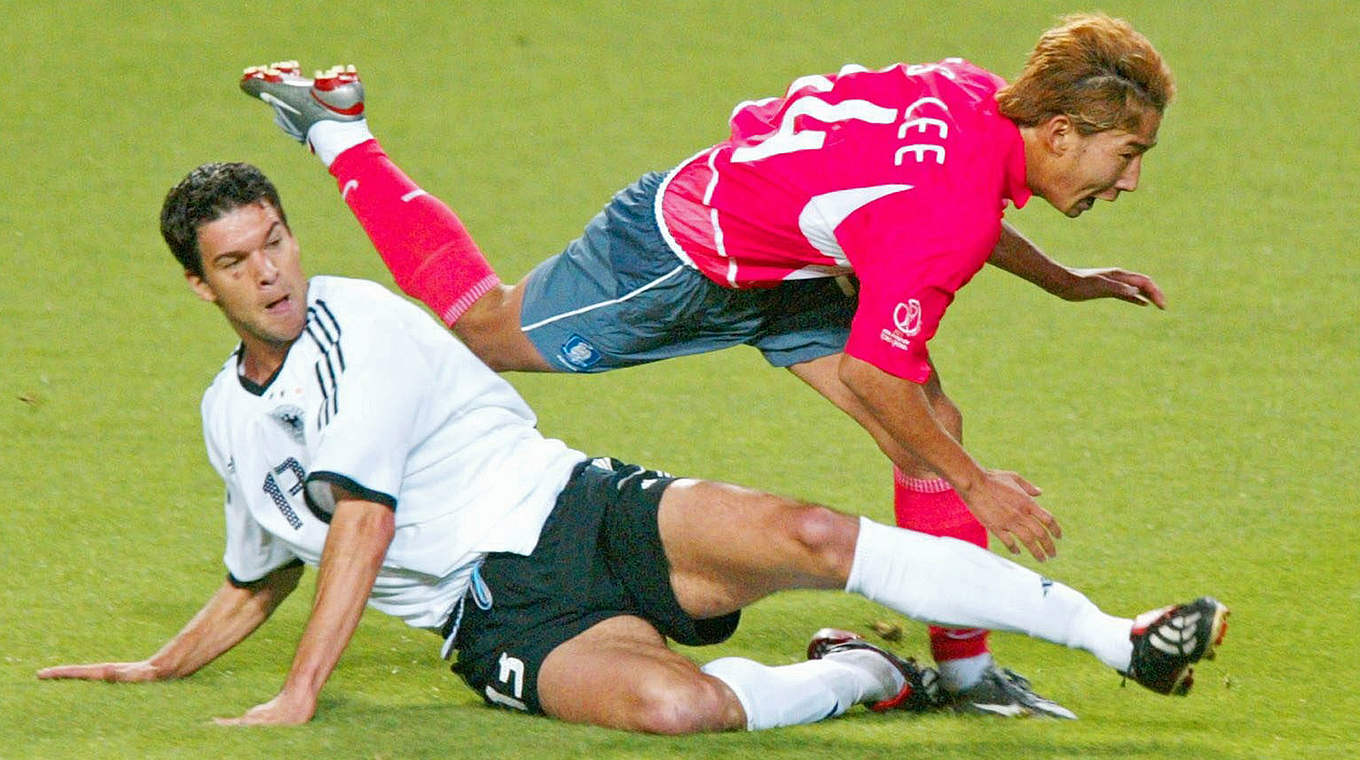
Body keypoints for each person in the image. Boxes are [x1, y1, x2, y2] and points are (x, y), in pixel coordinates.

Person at [37, 163, 1226, 733]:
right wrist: (159, 666)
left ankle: (1118, 638)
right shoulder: (228, 415)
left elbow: (363, 521)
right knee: (676, 708)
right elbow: (261, 571)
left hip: (579, 508)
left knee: (811, 531)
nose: (272, 271)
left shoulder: (362, 327)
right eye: (237, 261)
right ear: (201, 286)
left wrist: (302, 693)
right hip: (493, 619)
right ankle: (866, 673)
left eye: (277, 241)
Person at [236, 13, 1172, 717]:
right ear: (1057, 132)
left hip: (792, 260)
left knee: (931, 434)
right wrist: (978, 486)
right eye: (1125, 154)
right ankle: (339, 131)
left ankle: (966, 672)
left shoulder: (974, 94)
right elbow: (881, 357)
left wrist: (1061, 281)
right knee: (485, 328)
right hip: (681, 257)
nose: (1130, 179)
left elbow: (923, 208)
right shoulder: (945, 217)